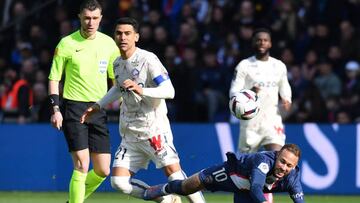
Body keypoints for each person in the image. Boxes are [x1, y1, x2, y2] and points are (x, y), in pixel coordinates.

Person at [80, 17, 205, 203]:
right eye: (119, 33)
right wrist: (98, 105)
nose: (123, 37)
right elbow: (118, 88)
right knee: (118, 182)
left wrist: (142, 90)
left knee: (174, 175)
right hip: (130, 133)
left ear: (136, 37)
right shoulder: (117, 63)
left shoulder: (148, 60)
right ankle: (165, 199)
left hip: (154, 131)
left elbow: (169, 91)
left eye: (127, 33)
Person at [47, 0, 119, 202]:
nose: (90, 22)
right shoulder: (67, 43)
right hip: (74, 108)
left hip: (98, 109)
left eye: (95, 18)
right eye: (87, 18)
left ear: (101, 19)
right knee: (81, 164)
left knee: (103, 170)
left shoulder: (108, 44)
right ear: (79, 17)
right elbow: (54, 78)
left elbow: (115, 79)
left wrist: (123, 103)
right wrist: (56, 109)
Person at [229, 28, 292, 202]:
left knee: (276, 157)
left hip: (272, 119)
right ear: (253, 43)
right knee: (243, 168)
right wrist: (249, 91)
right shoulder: (244, 66)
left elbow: (284, 85)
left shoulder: (279, 65)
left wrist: (286, 98)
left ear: (270, 43)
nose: (262, 43)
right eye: (258, 40)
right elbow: (233, 92)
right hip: (250, 124)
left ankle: (267, 199)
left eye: (265, 40)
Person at [143, 143, 305, 203]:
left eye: (289, 165)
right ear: (277, 156)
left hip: (245, 191)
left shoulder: (293, 179)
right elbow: (256, 186)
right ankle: (163, 190)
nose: (284, 167)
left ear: (294, 167)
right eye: (282, 161)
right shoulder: (263, 161)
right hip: (228, 175)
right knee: (186, 187)